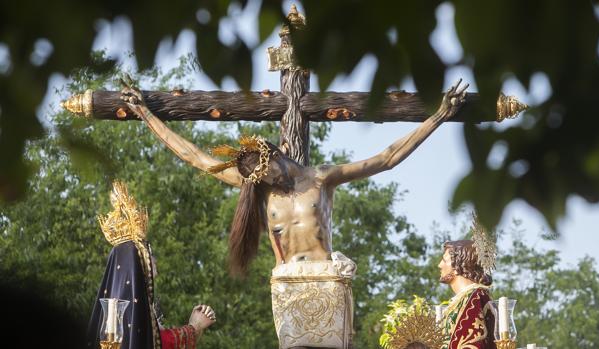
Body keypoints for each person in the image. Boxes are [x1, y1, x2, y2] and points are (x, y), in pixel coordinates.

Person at [120, 79, 468, 349]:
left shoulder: (321, 178)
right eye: (261, 180)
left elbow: (386, 158)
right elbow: (197, 157)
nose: (269, 183)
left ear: (275, 154)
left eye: (269, 174)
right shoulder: (259, 186)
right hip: (287, 282)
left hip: (326, 280)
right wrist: (147, 114)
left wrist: (437, 115)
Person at [86, 181, 216, 349]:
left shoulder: (136, 308)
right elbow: (156, 343)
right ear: (138, 263)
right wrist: (194, 327)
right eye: (149, 255)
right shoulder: (122, 317)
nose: (154, 262)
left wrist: (194, 327)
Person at [437, 214, 497, 349]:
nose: (439, 265)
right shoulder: (462, 300)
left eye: (445, 260)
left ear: (458, 267)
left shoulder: (475, 297)